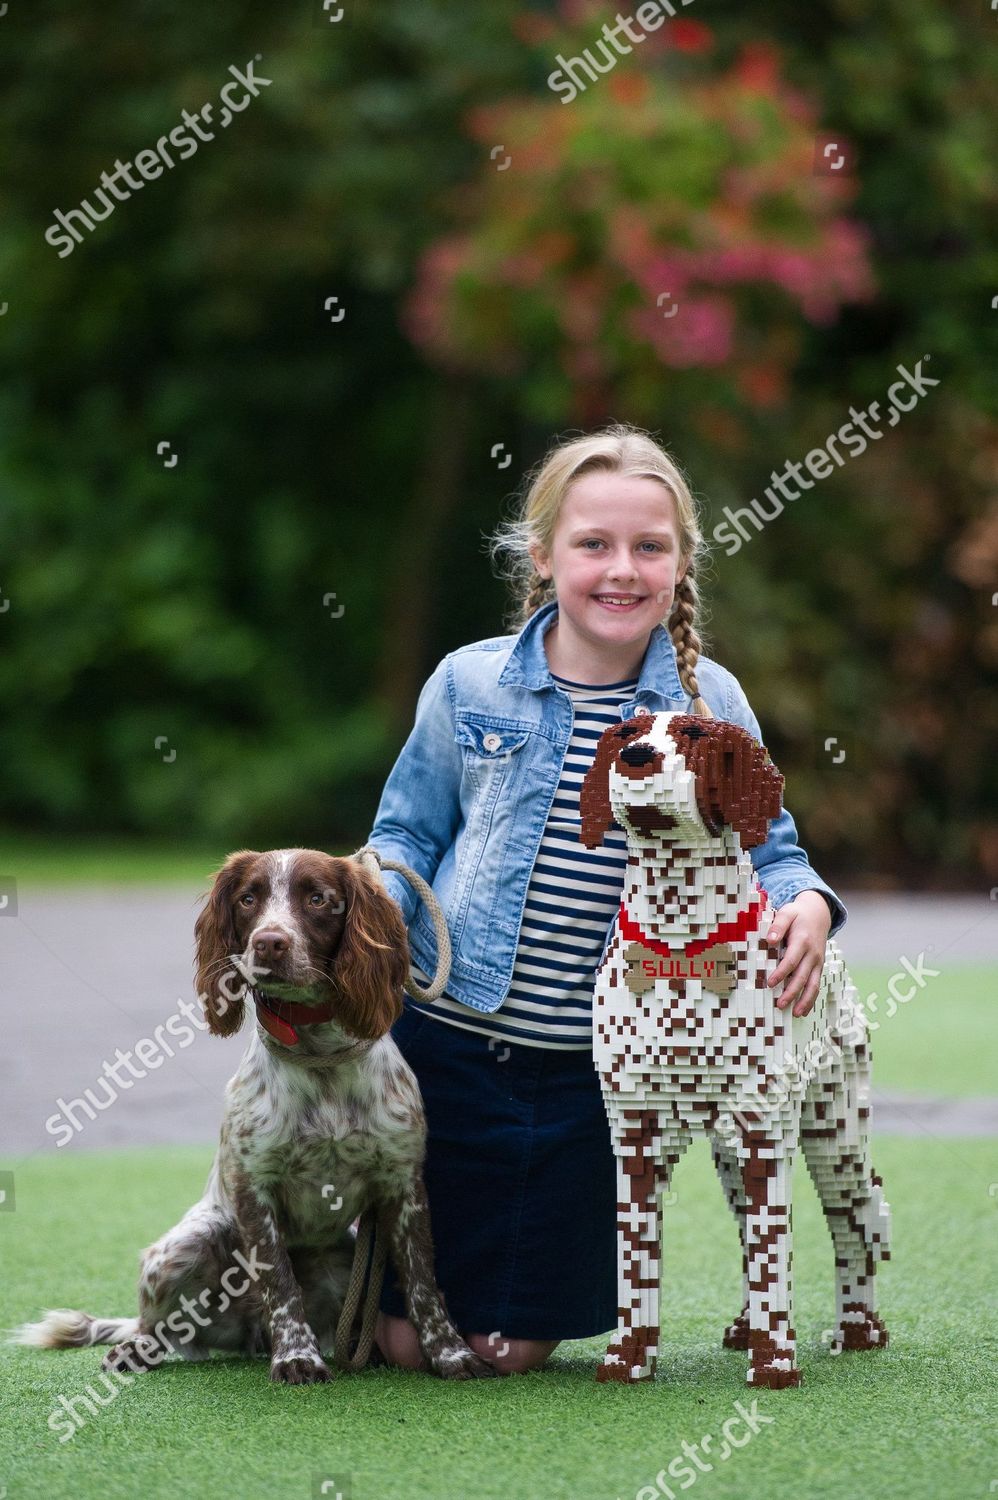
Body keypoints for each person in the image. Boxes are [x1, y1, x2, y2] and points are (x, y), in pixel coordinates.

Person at [366, 423, 845, 1375]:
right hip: (452, 1049)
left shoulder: (711, 700)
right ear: (543, 556)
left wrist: (810, 905)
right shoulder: (469, 683)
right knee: (410, 1345)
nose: (620, 570)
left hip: (597, 1079)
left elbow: (774, 847)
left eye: (648, 547)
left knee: (505, 1352)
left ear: (679, 565)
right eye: (593, 544)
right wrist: (363, 911)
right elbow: (405, 835)